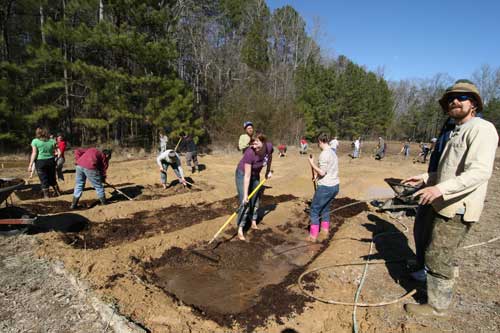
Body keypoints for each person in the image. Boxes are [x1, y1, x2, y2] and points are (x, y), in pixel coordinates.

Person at [403, 80, 498, 317]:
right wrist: (425, 178)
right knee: (434, 250)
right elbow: (448, 170)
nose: (455, 101)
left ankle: (437, 306)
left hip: (459, 207)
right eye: (451, 98)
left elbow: (479, 172)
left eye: (462, 97)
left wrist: (439, 190)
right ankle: (434, 290)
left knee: (438, 256)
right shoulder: (457, 130)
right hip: (445, 202)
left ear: (474, 103)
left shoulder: (482, 129)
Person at [235, 132, 273, 241]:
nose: (254, 146)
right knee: (245, 201)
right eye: (253, 144)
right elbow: (247, 176)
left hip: (255, 175)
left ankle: (253, 221)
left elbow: (270, 157)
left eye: (257, 144)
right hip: (242, 174)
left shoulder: (269, 147)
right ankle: (240, 228)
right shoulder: (249, 153)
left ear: (264, 142)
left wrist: (268, 171)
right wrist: (246, 195)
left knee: (256, 198)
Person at [307, 133, 340, 241]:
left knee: (314, 210)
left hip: (326, 187)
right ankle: (325, 231)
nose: (318, 144)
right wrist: (316, 176)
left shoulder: (324, 154)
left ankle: (313, 236)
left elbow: (322, 172)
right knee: (325, 208)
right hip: (335, 186)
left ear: (320, 141)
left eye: (318, 142)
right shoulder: (333, 152)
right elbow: (327, 169)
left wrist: (311, 163)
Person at [28, 128, 60, 199]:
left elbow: (34, 153)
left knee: (43, 179)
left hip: (40, 162)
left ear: (37, 133)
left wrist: (30, 164)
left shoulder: (35, 141)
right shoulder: (52, 140)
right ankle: (57, 192)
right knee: (52, 178)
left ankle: (46, 196)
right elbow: (56, 151)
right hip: (51, 161)